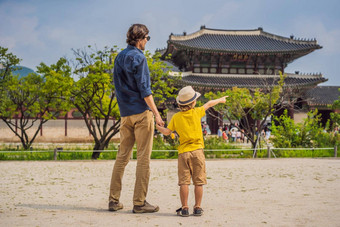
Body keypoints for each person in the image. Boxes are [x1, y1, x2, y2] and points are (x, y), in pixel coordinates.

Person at [108, 24, 164, 213]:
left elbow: (117, 86)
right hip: (141, 113)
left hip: (125, 114)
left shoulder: (119, 57)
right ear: (140, 39)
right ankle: (139, 203)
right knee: (143, 159)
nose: (147, 41)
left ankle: (113, 200)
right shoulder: (140, 58)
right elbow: (145, 90)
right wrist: (157, 114)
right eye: (147, 38)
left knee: (122, 157)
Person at [156, 86, 227, 217]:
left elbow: (167, 132)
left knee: (184, 182)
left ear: (180, 104)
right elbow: (209, 103)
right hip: (198, 151)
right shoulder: (197, 112)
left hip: (183, 152)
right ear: (193, 102)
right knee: (198, 181)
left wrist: (157, 127)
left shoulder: (176, 117)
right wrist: (221, 99)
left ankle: (184, 208)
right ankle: (198, 207)